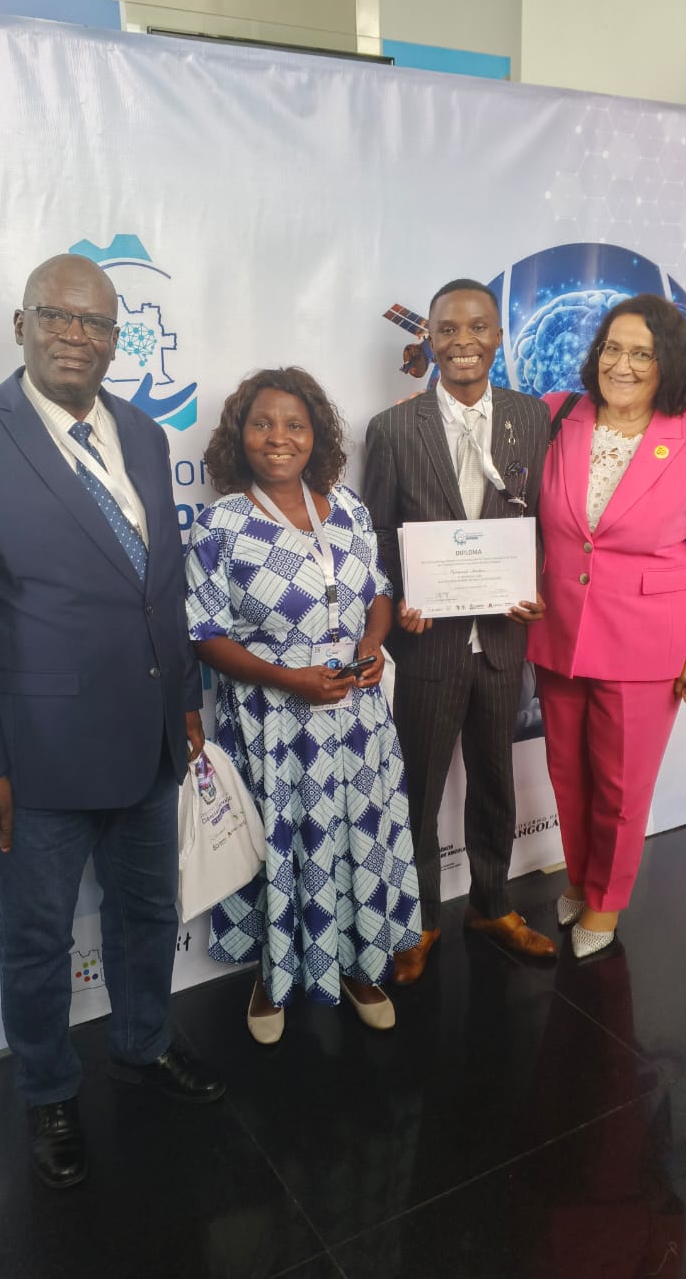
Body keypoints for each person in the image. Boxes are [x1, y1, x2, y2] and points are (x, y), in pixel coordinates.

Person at [0, 254, 224, 1191]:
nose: (77, 337)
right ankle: (47, 1089)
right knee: (38, 940)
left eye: (97, 324)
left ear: (117, 340)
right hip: (34, 761)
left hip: (149, 738)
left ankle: (143, 1042)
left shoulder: (145, 435)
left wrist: (185, 699)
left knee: (148, 913)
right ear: (22, 324)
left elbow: (161, 587)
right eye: (57, 317)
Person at [185, 367, 422, 1043]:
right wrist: (291, 681)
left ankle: (361, 964)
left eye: (294, 424)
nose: (278, 437)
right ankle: (275, 974)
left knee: (355, 838)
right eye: (262, 423)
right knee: (282, 845)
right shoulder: (220, 525)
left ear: (316, 435)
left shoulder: (347, 507)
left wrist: (373, 643)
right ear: (240, 435)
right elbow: (204, 634)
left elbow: (378, 591)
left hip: (357, 715)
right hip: (273, 721)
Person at [528, 293, 686, 959]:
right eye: (612, 349)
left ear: (667, 361)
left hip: (650, 638)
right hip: (558, 628)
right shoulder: (558, 411)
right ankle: (580, 876)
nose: (622, 364)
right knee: (568, 772)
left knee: (622, 786)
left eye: (641, 353)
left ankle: (606, 901)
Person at [362, 279, 556, 985]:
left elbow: (541, 519)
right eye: (448, 329)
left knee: (496, 782)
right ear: (431, 339)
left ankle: (492, 905)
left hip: (503, 641)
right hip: (428, 645)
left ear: (499, 336)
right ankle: (419, 920)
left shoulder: (533, 418)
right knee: (417, 791)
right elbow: (379, 533)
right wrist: (402, 598)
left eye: (478, 327)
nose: (463, 341)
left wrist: (533, 583)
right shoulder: (393, 429)